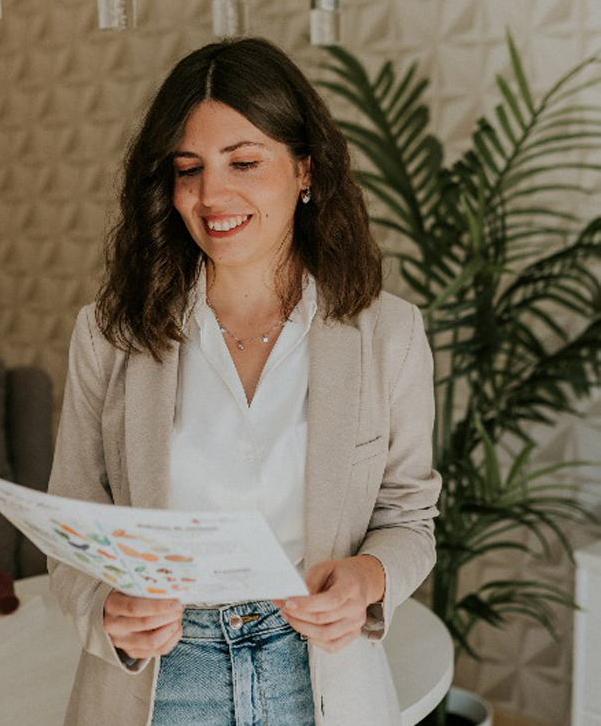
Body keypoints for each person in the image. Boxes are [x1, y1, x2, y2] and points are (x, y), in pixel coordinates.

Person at [48, 37, 441, 726]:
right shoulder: (109, 333)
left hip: (321, 673)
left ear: (306, 170)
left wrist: (369, 577)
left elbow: (409, 516)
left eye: (245, 162)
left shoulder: (390, 333)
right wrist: (103, 607)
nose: (210, 195)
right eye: (188, 168)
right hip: (160, 678)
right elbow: (73, 522)